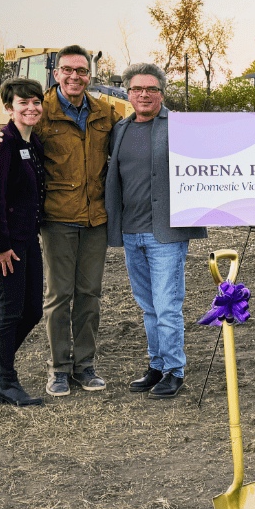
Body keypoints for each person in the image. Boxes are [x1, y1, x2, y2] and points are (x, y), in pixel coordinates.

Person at [0, 45, 123, 396]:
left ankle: (84, 366)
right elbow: (6, 139)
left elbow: (130, 145)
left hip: (95, 219)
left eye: (82, 71)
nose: (75, 77)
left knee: (89, 295)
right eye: (68, 70)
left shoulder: (107, 112)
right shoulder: (39, 109)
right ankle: (58, 368)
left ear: (91, 75)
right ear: (56, 74)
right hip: (57, 218)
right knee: (58, 296)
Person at [105, 63, 207, 399]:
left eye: (151, 89)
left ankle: (175, 370)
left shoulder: (181, 126)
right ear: (128, 93)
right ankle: (157, 364)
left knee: (166, 307)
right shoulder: (120, 129)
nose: (144, 95)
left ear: (161, 93)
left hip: (165, 232)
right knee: (148, 307)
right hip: (131, 232)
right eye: (137, 89)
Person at [0, 78, 47, 405]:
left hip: (27, 237)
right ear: (8, 109)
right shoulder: (2, 142)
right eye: (23, 103)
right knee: (11, 311)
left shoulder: (31, 142)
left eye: (36, 102)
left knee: (32, 310)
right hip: (3, 241)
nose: (31, 108)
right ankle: (5, 380)